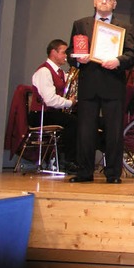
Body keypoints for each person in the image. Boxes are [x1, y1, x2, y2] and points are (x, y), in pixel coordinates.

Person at [67, 0, 134, 184]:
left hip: (113, 84)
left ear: (115, 4)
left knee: (114, 131)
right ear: (94, 1)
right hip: (89, 83)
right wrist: (78, 59)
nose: (105, 2)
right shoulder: (80, 24)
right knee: (85, 130)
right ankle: (84, 172)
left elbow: (132, 55)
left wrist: (118, 61)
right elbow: (71, 52)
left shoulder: (124, 27)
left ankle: (113, 173)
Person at [29, 39, 78, 172]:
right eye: (63, 52)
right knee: (73, 123)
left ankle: (77, 159)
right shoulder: (44, 71)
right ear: (53, 52)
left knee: (82, 120)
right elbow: (50, 100)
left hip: (53, 113)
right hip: (41, 114)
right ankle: (66, 161)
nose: (66, 56)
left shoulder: (61, 73)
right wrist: (69, 102)